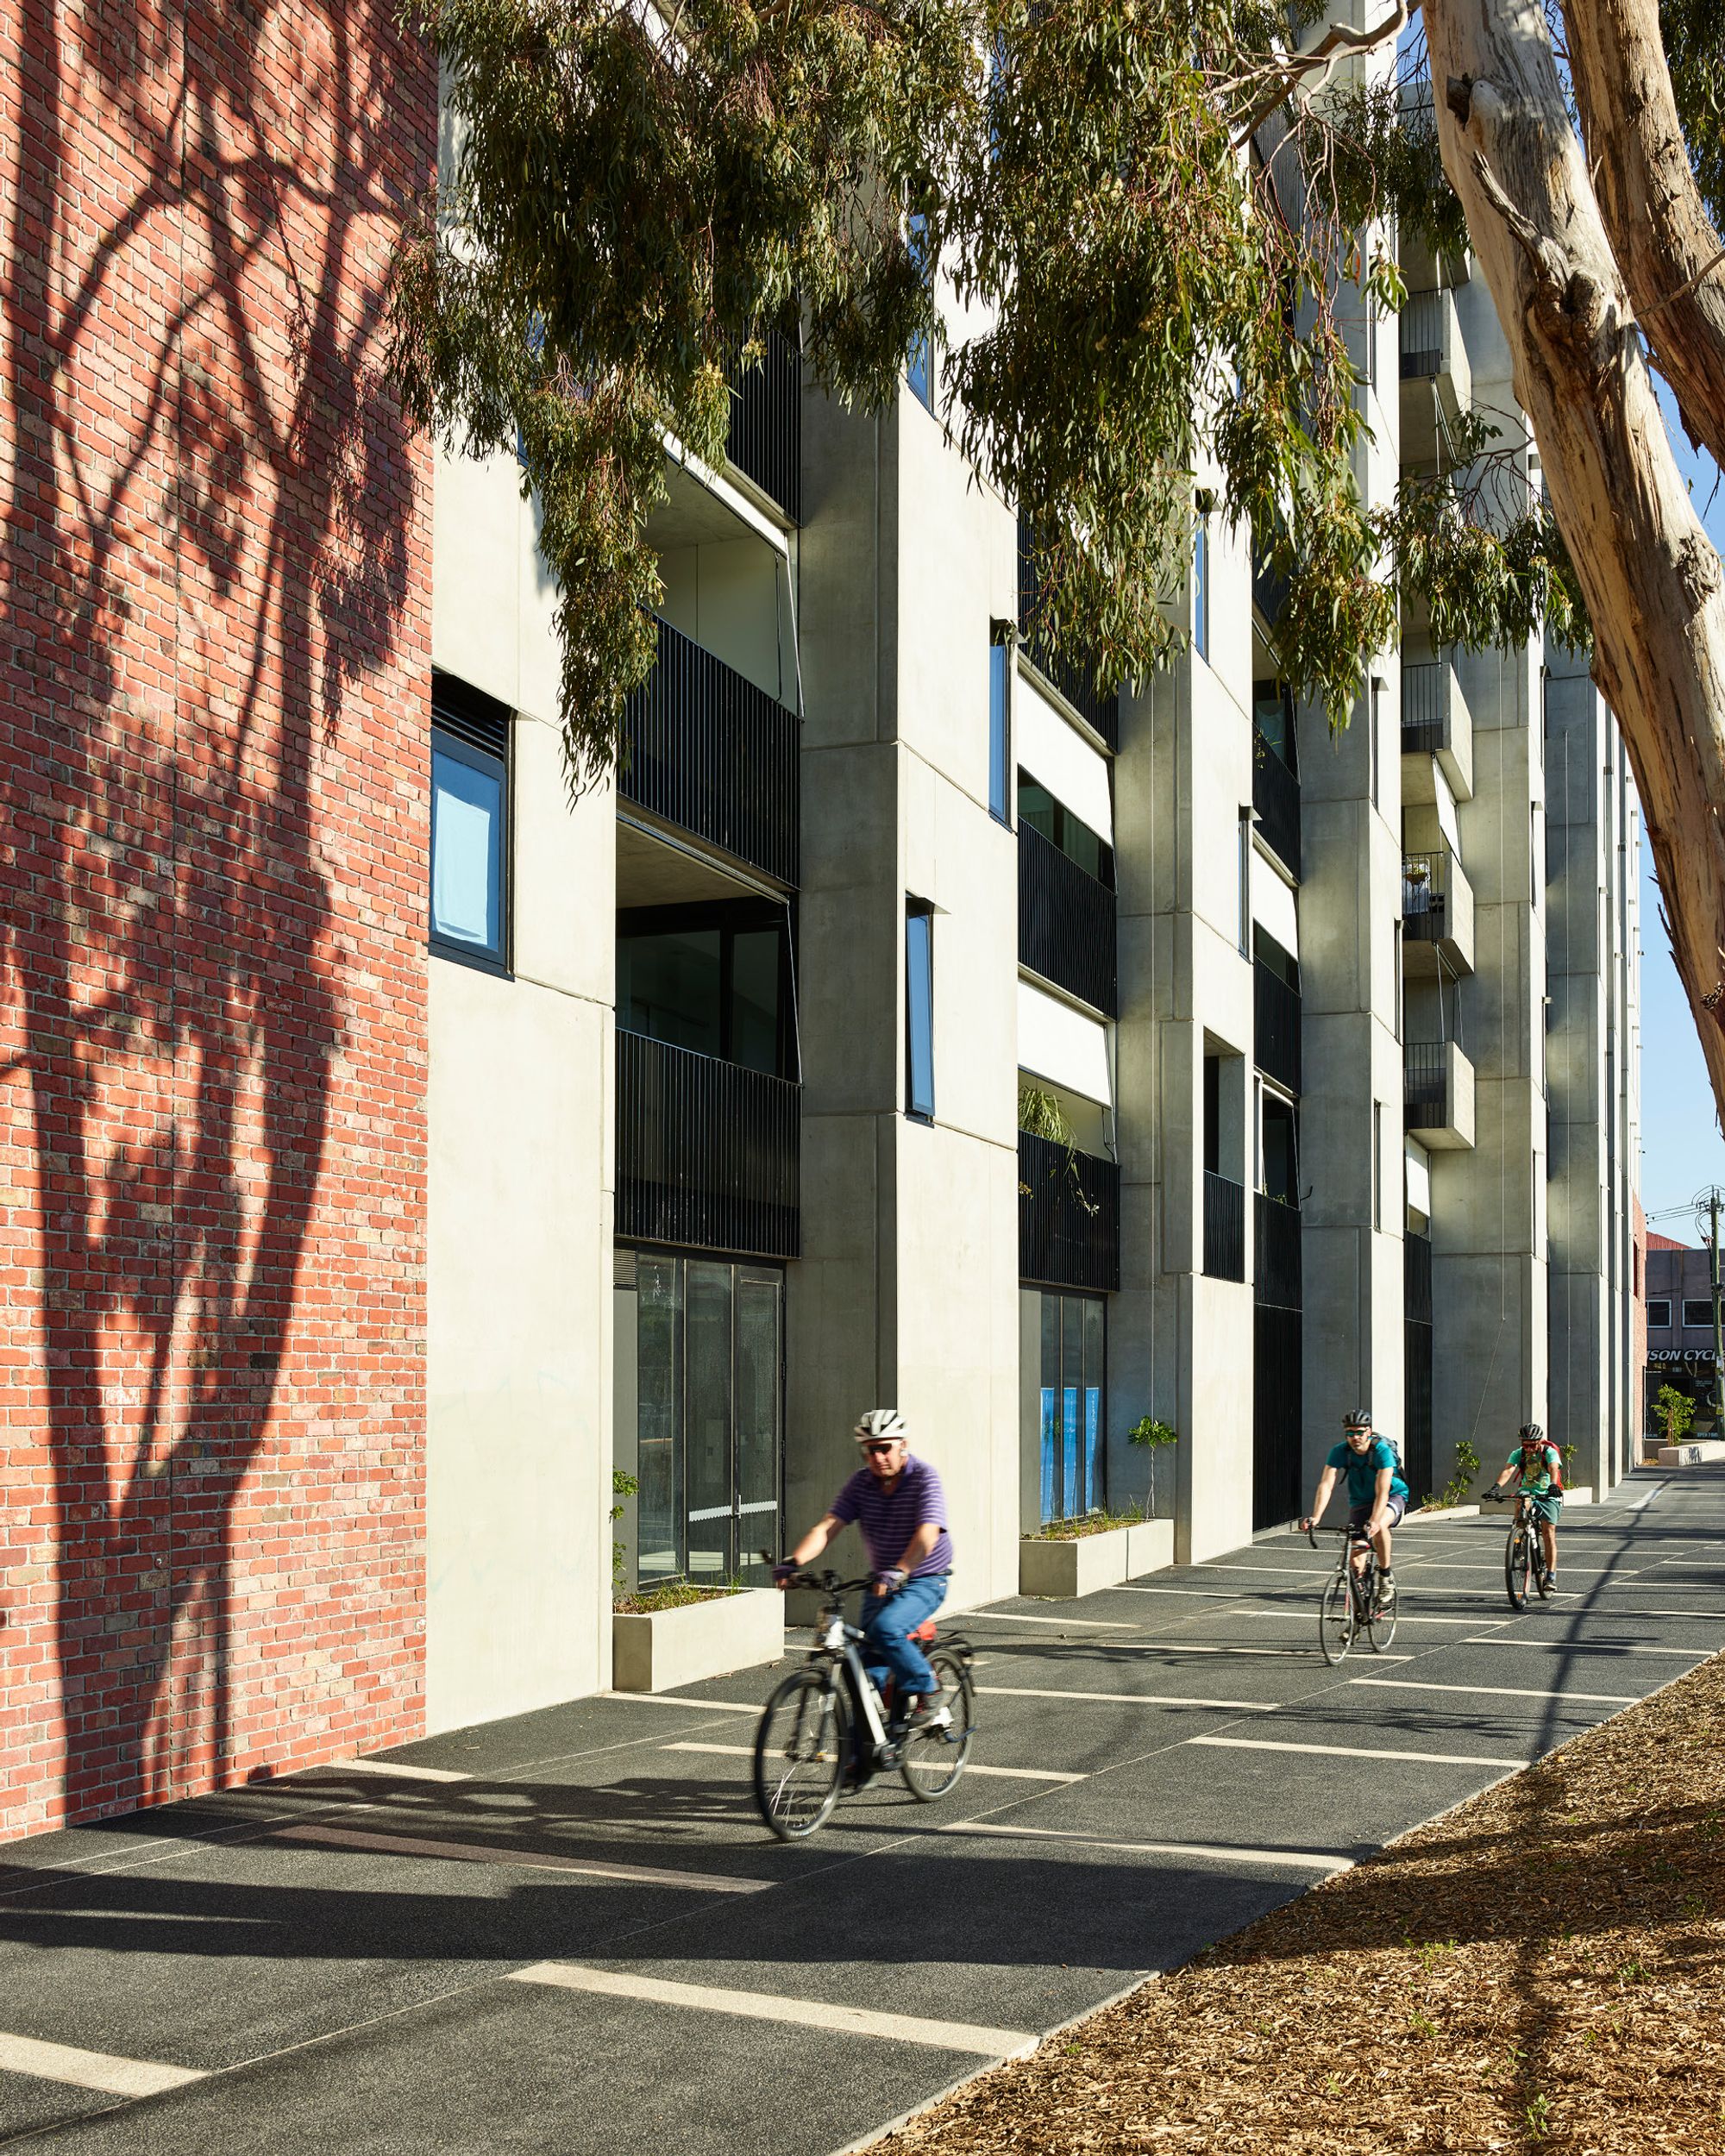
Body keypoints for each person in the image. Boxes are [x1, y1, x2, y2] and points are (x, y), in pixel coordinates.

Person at [775, 1409, 953, 1728]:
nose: (879, 1457)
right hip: (881, 1582)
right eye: (872, 1450)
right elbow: (829, 1526)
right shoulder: (861, 1484)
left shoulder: (924, 1477)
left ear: (903, 1445)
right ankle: (861, 1760)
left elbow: (928, 1534)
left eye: (885, 1448)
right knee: (863, 1672)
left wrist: (900, 1570)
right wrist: (794, 1561)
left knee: (886, 1630)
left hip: (924, 1578)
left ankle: (930, 1689)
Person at [1300, 1407, 1408, 1614]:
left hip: (1392, 1496)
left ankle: (1385, 1577)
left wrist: (1375, 1521)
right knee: (1354, 1558)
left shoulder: (1381, 1451)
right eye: (1350, 1433)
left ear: (1369, 1431)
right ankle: (1360, 1603)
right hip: (1360, 1502)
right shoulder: (1340, 1451)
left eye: (1359, 1432)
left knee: (1380, 1526)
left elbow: (1383, 1489)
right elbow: (1326, 1484)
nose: (1355, 1437)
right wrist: (1315, 1517)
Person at [1487, 1422, 1565, 1589]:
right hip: (1527, 1492)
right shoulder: (1518, 1453)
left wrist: (1553, 1485)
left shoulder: (1548, 1452)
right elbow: (1508, 1470)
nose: (1528, 1448)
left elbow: (1553, 1467)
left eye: (1532, 1444)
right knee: (1521, 1502)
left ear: (1539, 1441)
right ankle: (1519, 1538)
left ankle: (1550, 1577)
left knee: (1548, 1532)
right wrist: (1496, 1487)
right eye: (1525, 1444)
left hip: (1548, 1494)